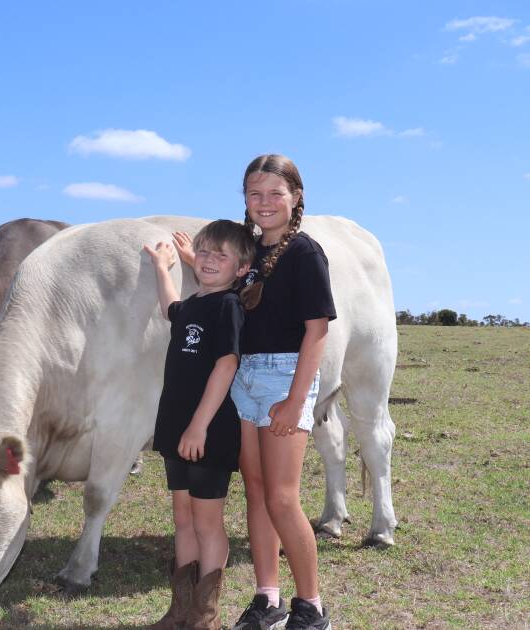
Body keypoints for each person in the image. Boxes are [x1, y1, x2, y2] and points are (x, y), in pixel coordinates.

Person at [175, 154, 335, 630]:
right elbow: (233, 281)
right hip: (245, 380)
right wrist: (192, 260)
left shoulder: (305, 253)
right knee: (258, 493)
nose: (264, 203)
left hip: (284, 379)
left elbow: (317, 331)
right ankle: (268, 598)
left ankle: (312, 608)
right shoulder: (254, 252)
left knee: (284, 498)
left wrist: (294, 399)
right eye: (254, 193)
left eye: (275, 194)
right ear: (244, 198)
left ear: (296, 198)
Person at [143, 220, 254, 630]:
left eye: (221, 256)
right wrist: (161, 266)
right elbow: (169, 306)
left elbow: (227, 365)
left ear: (241, 269)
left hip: (208, 429)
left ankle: (205, 618)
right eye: (204, 253)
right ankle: (180, 612)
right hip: (176, 427)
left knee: (207, 523)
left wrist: (199, 426)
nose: (209, 261)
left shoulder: (229, 307)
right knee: (182, 518)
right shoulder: (192, 305)